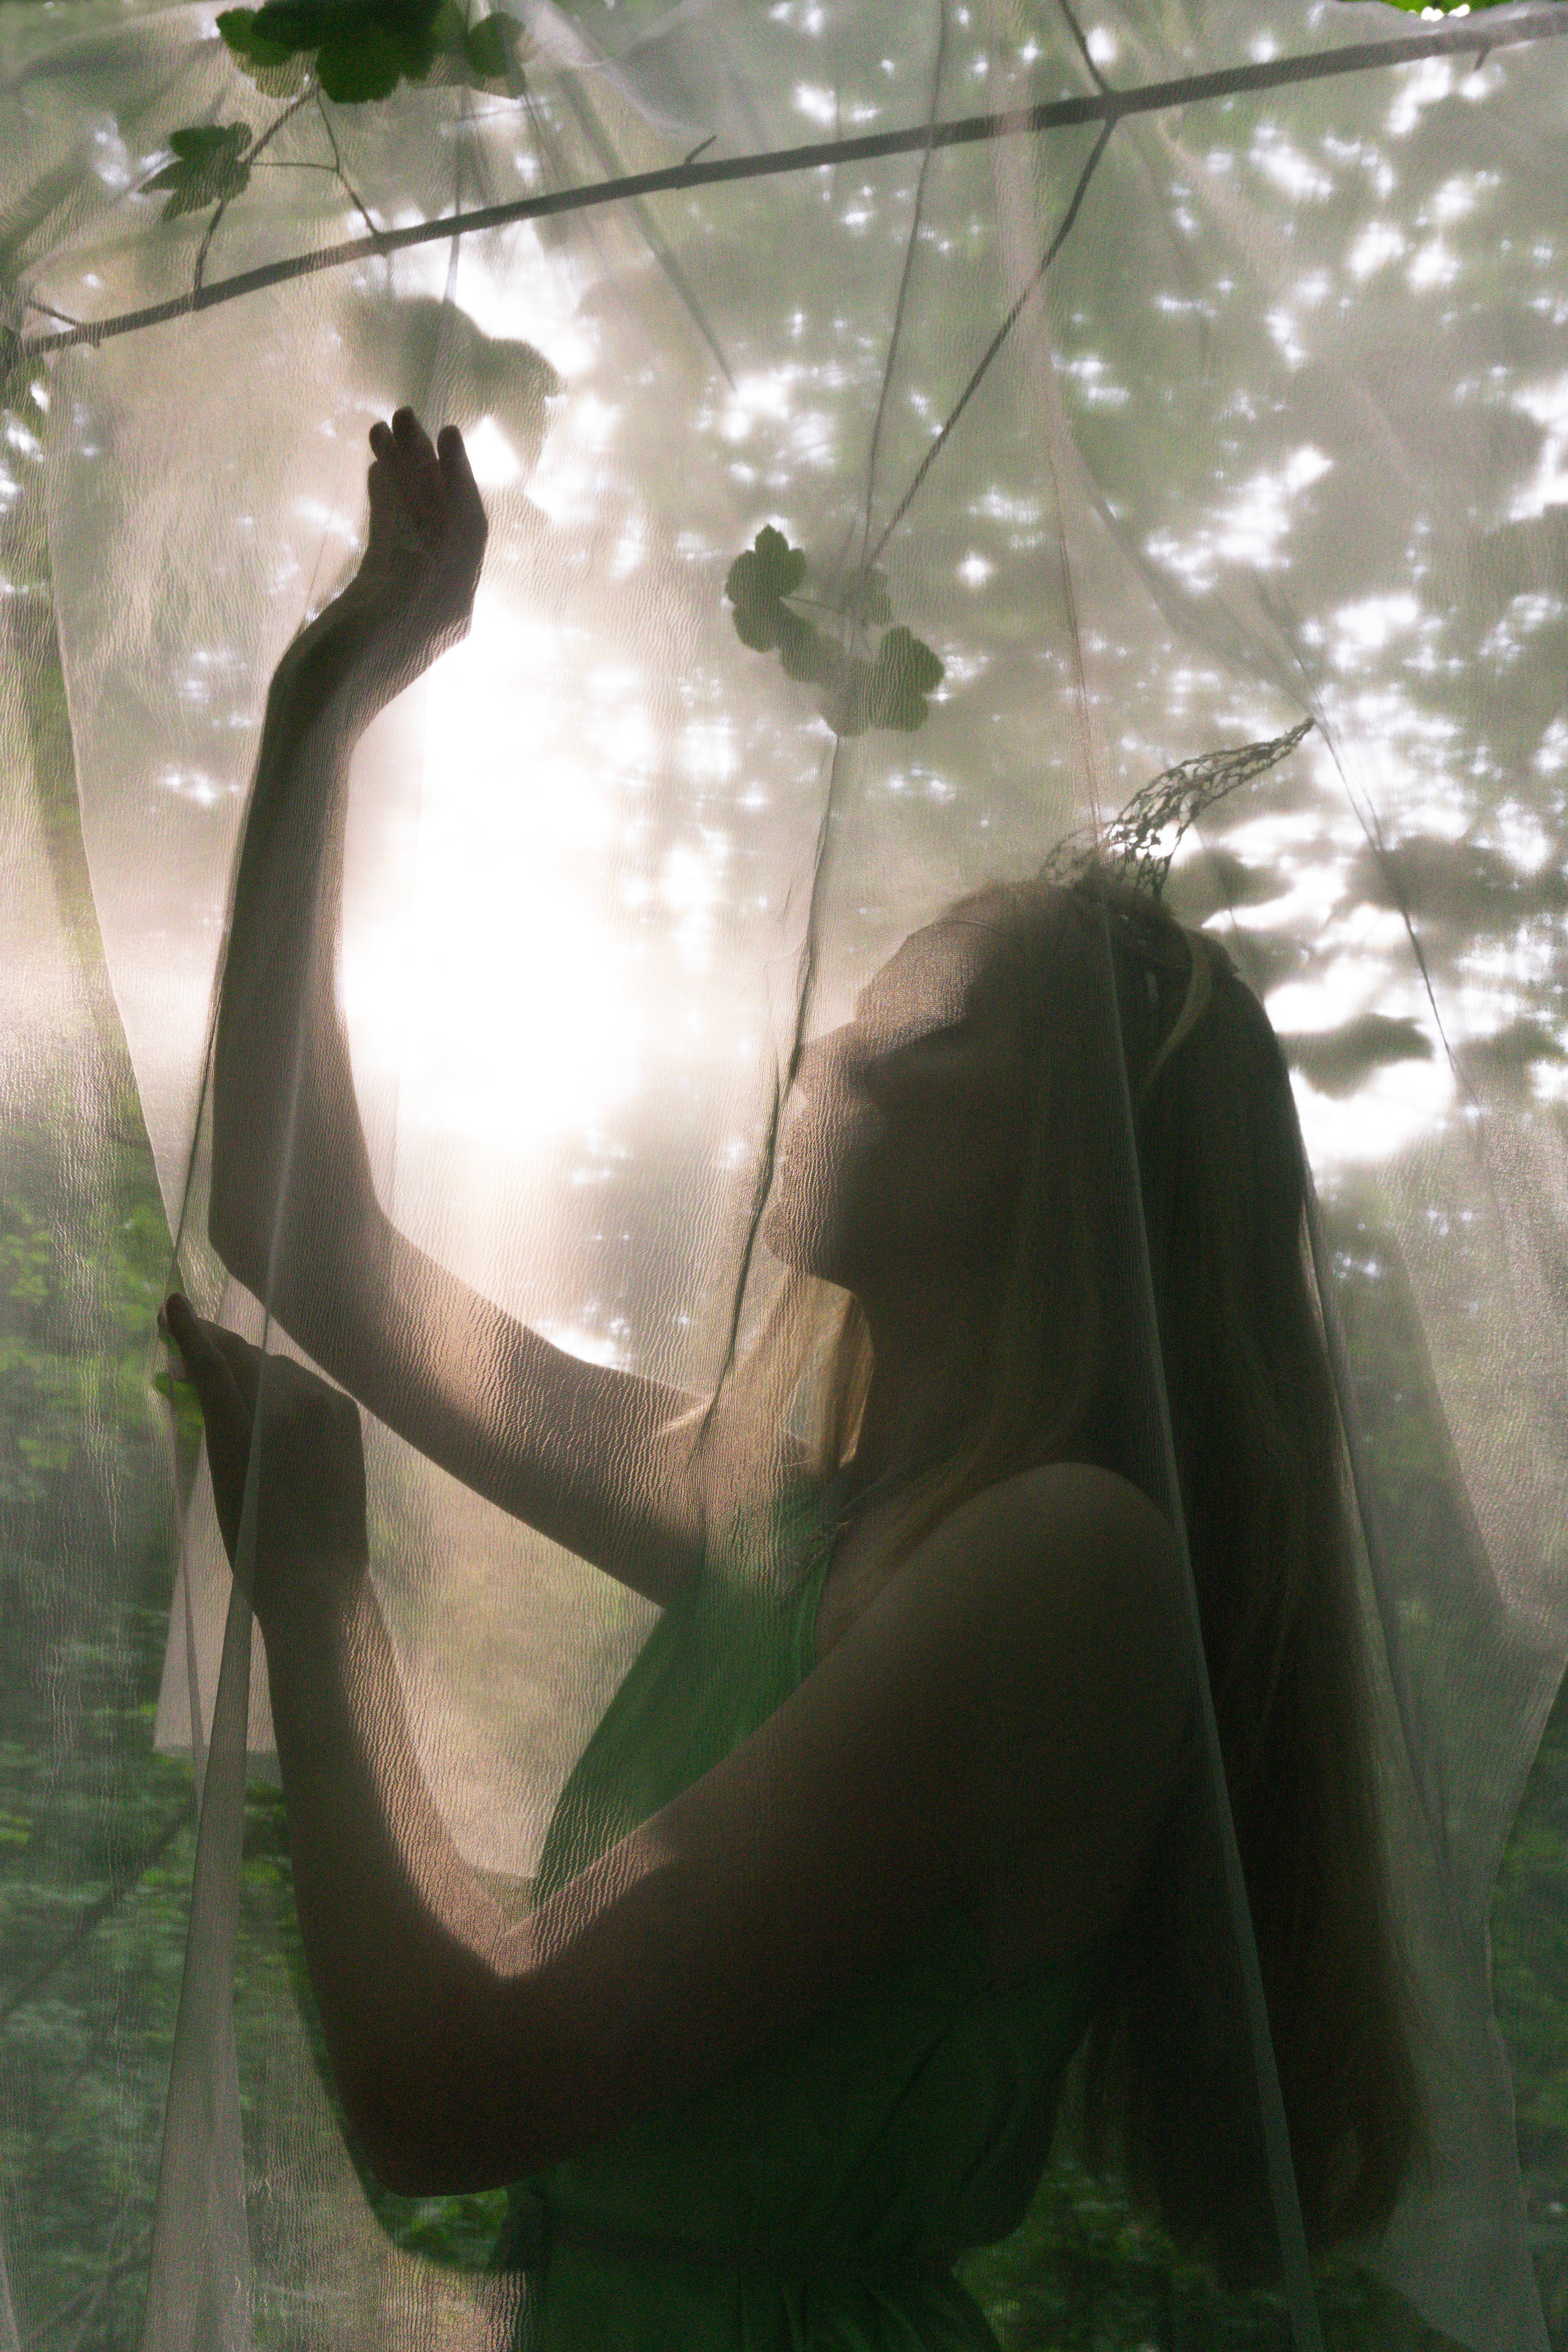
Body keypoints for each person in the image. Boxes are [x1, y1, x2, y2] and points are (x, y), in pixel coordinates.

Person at [160, 409, 1427, 2348]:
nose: (816, 1058)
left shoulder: (1061, 1567)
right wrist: (326, 704)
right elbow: (302, 1235)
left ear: (1069, 1155)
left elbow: (447, 2087)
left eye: (910, 1025)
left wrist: (321, 1598)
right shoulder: (786, 1506)